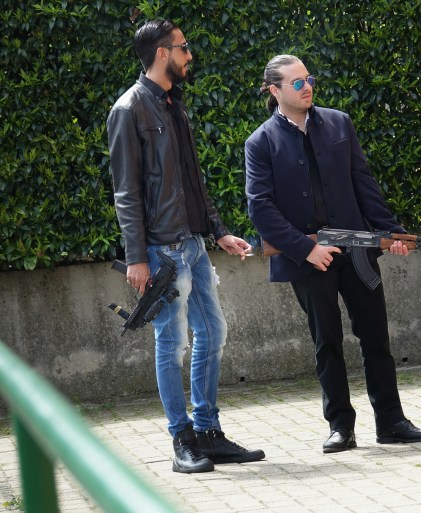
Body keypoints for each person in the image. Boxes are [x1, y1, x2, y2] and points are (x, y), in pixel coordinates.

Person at [244, 54, 421, 453]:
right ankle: (341, 428)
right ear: (274, 91)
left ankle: (392, 422)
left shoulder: (339, 122)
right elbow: (260, 208)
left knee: (375, 336)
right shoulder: (260, 142)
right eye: (296, 83)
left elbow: (363, 184)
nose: (307, 86)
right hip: (307, 257)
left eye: (308, 79)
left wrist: (391, 233)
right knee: (326, 341)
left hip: (356, 250)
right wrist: (305, 249)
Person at [107, 19, 264, 473]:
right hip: (160, 252)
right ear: (162, 53)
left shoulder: (174, 104)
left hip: (193, 245)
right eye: (183, 48)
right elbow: (126, 192)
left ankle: (208, 433)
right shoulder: (129, 109)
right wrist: (136, 256)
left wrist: (218, 232)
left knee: (213, 332)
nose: (189, 55)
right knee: (170, 343)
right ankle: (182, 440)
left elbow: (192, 182)